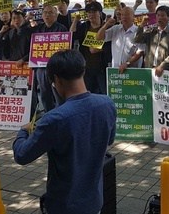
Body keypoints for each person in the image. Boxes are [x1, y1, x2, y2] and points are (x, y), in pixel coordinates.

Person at [12, 50, 116, 214]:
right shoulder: (107, 104)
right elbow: (109, 140)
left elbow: (22, 155)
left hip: (64, 205)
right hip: (94, 201)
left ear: (57, 80)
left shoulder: (53, 119)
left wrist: (23, 133)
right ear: (83, 70)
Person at [70, 1, 109, 94]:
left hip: (102, 67)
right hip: (87, 67)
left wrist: (100, 48)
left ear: (99, 13)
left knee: (104, 92)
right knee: (87, 93)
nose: (91, 15)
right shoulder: (84, 27)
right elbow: (71, 35)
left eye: (94, 12)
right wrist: (75, 20)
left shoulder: (106, 27)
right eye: (89, 13)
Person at [133, 5, 169, 77]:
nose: (160, 18)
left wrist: (162, 66)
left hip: (166, 71)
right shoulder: (151, 31)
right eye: (158, 15)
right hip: (150, 68)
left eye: (163, 15)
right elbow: (138, 40)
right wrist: (142, 26)